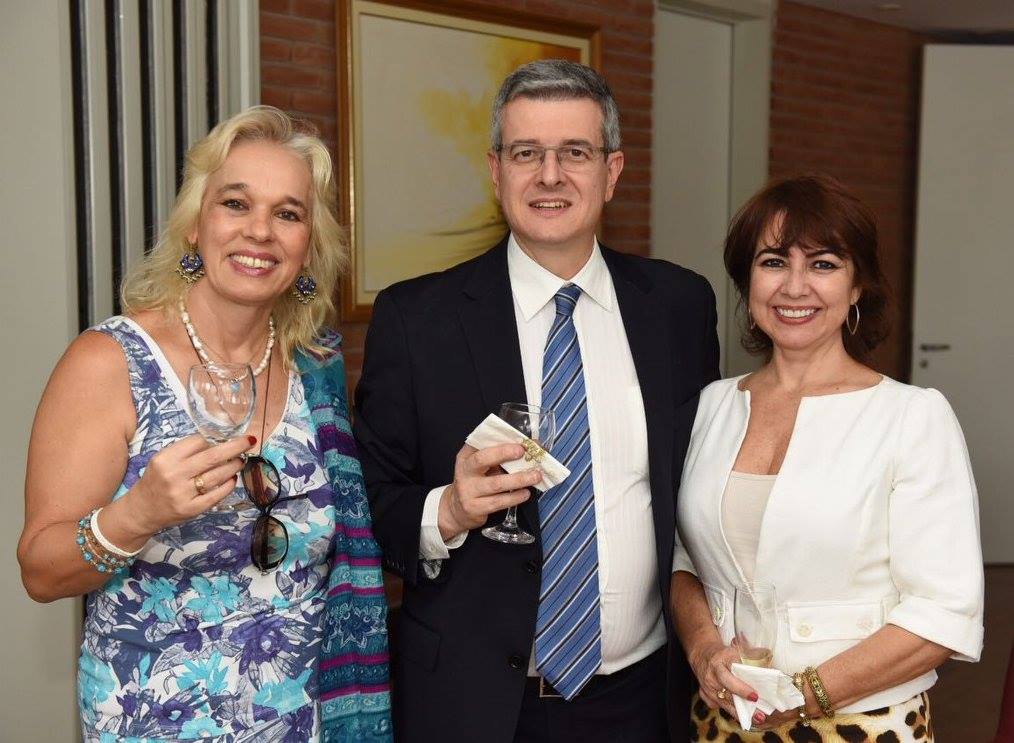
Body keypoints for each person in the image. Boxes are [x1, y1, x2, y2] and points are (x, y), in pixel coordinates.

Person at [353, 59, 719, 742]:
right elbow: (370, 502)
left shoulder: (679, 307)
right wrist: (448, 510)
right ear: (496, 171)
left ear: (612, 171)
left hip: (643, 702)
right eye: (526, 153)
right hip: (472, 705)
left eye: (574, 152)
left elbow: (698, 488)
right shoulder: (417, 320)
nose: (550, 175)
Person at [18, 106, 391, 741]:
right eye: (235, 204)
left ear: (308, 245)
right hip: (155, 724)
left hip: (306, 724)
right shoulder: (110, 363)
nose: (260, 231)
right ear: (195, 224)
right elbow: (40, 571)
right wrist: (138, 514)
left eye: (288, 214)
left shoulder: (316, 364)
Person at [672, 174, 984, 741]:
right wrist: (702, 651)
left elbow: (944, 612)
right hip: (721, 722)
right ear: (747, 280)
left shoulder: (911, 417)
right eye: (773, 262)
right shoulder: (712, 406)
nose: (795, 287)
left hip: (863, 724)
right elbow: (683, 562)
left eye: (823, 264)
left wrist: (807, 694)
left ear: (857, 285)